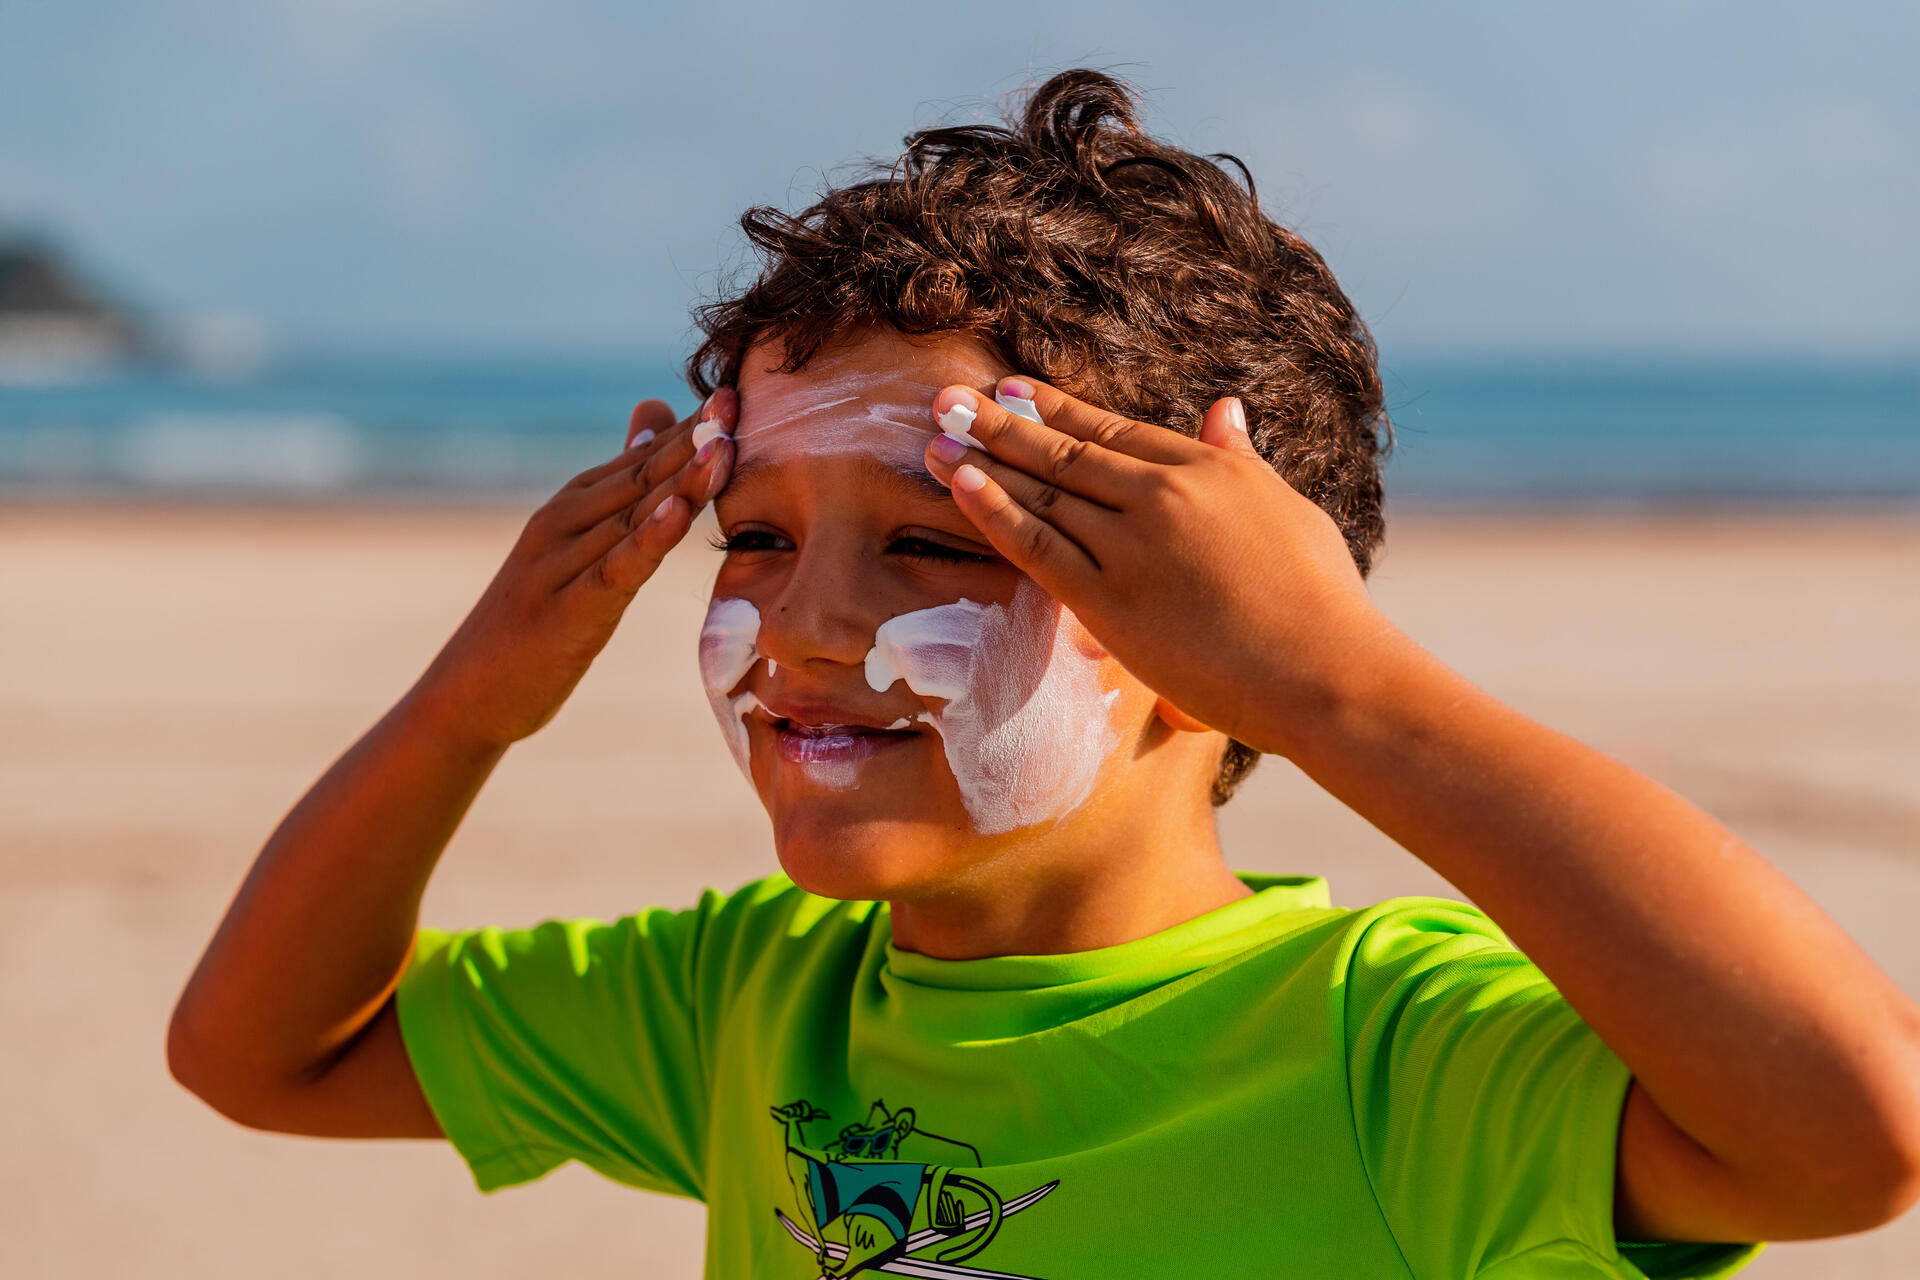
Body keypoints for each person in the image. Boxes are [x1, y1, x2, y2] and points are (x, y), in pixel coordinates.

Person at [167, 70, 1919, 1278]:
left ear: (1221, 630)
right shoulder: (750, 1002)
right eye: (754, 540)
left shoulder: (1389, 1047)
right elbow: (262, 1056)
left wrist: (1338, 688)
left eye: (937, 544)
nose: (803, 631)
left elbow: (1852, 1131)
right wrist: (471, 705)